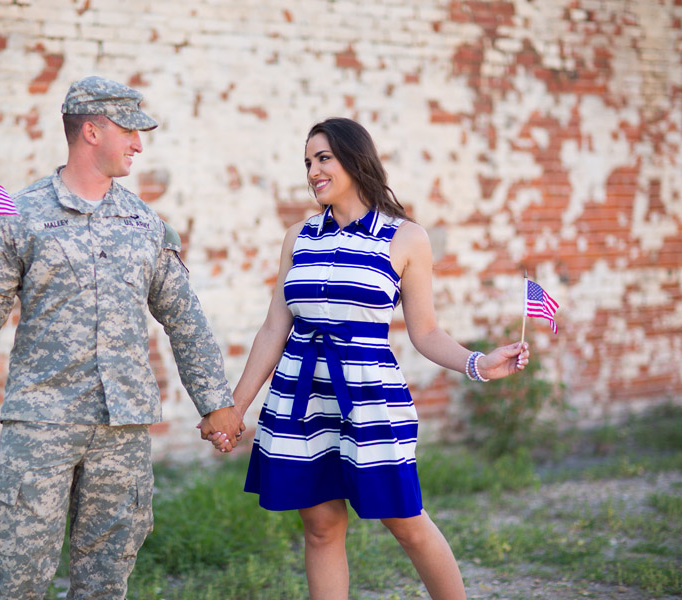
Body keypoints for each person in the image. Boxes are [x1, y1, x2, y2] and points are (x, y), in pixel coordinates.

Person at [202, 117, 530, 600]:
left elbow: (426, 331)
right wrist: (236, 407)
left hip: (369, 399)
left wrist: (477, 363)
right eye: (308, 162)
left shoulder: (405, 237)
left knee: (406, 521)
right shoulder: (298, 237)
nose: (313, 171)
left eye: (323, 158)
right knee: (320, 527)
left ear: (356, 160)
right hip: (302, 396)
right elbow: (276, 326)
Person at [0, 76, 244, 600]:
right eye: (130, 130)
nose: (138, 143)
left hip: (122, 430)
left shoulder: (144, 223)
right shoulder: (16, 216)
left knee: (106, 582)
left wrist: (216, 404)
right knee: (17, 577)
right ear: (92, 130)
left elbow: (185, 319)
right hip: (41, 424)